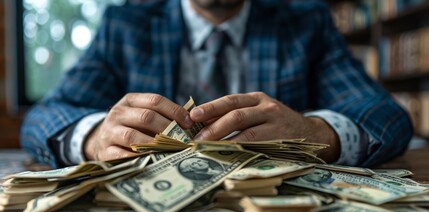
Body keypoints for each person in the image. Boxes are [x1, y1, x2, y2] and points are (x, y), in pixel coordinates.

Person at [20, 0, 413, 169]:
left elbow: (385, 115)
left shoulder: (305, 22)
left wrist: (318, 133)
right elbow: (44, 117)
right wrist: (93, 137)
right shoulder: (125, 25)